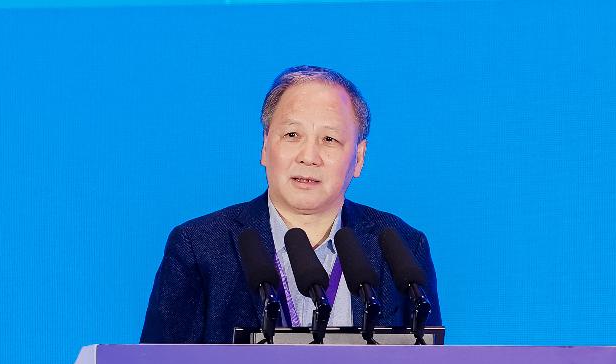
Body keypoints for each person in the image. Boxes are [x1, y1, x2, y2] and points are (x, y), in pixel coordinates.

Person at [141, 66, 441, 344]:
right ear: (265, 145)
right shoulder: (200, 247)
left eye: (329, 139)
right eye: (292, 135)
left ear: (359, 157)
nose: (308, 156)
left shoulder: (402, 247)